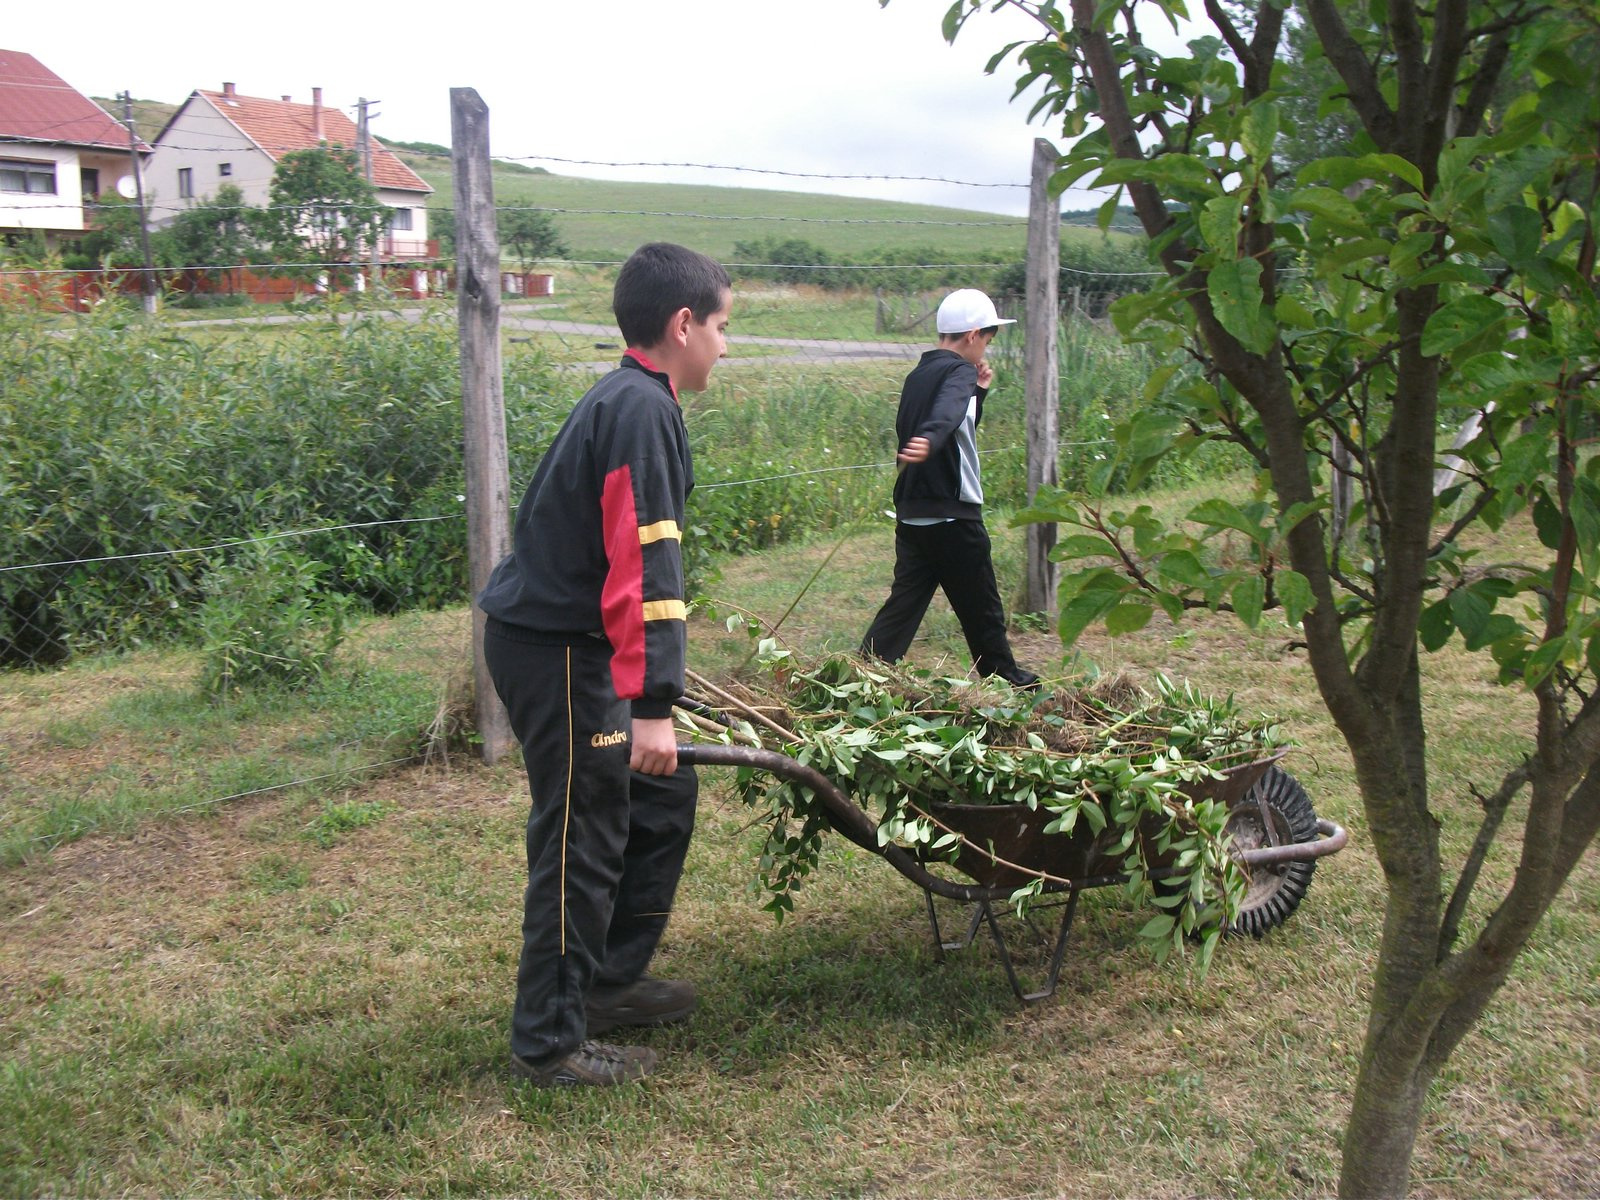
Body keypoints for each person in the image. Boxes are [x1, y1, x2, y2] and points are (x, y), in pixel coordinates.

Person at [476, 242, 732, 1087]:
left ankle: (608, 984)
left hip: (571, 641)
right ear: (683, 324)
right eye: (722, 327)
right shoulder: (639, 410)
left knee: (660, 794)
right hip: (554, 649)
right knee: (580, 834)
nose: (725, 347)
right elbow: (644, 568)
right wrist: (651, 703)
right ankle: (547, 1042)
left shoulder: (640, 398)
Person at [859, 288, 1040, 690]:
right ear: (973, 335)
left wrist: (980, 395)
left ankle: (864, 673)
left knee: (903, 605)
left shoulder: (918, 375)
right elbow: (947, 416)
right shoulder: (958, 372)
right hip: (953, 516)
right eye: (988, 341)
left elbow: (958, 424)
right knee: (982, 607)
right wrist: (932, 433)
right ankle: (1006, 678)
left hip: (913, 513)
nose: (985, 352)